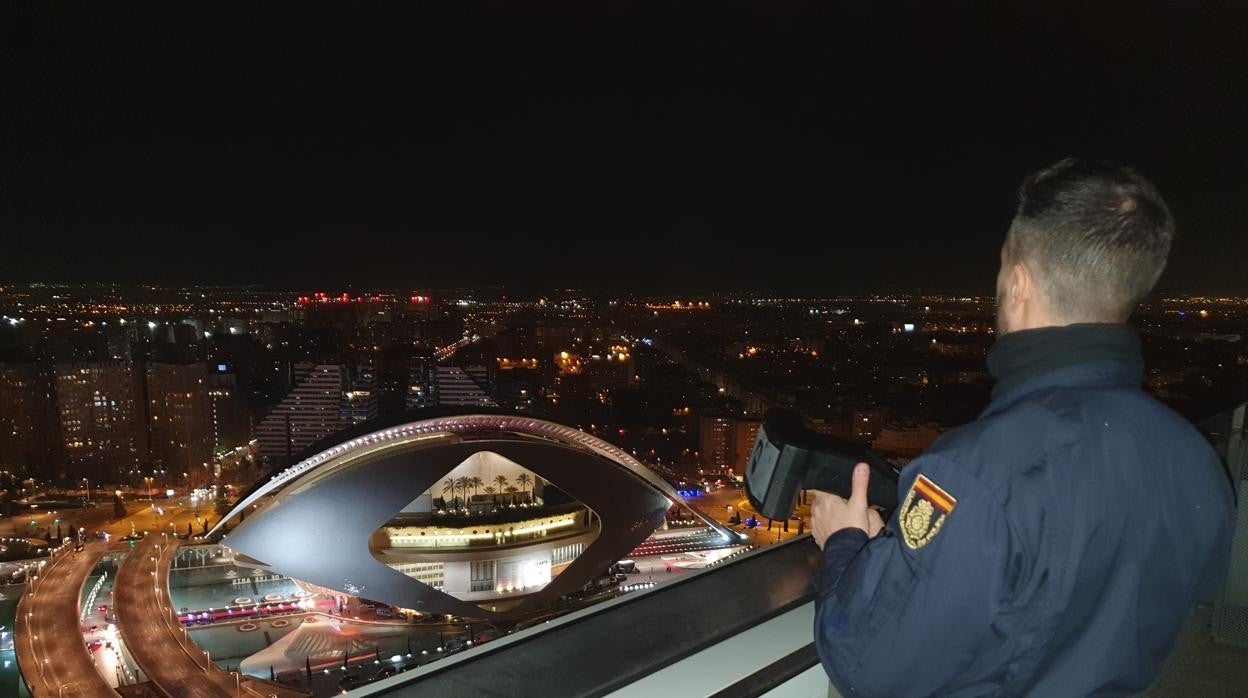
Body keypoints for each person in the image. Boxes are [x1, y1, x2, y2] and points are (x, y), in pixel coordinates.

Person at [809, 159, 1235, 697]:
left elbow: (865, 666)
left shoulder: (976, 474)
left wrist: (844, 544)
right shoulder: (1194, 457)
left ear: (1018, 284)